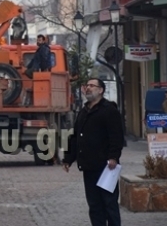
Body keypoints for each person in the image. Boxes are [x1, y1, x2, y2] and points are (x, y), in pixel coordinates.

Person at [63, 78, 124, 226]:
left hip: (106, 167)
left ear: (101, 90)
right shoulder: (84, 111)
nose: (88, 88)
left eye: (92, 86)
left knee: (109, 204)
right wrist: (68, 158)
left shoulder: (109, 110)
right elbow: (75, 136)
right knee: (95, 206)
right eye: (87, 86)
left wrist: (113, 157)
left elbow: (116, 136)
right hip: (89, 166)